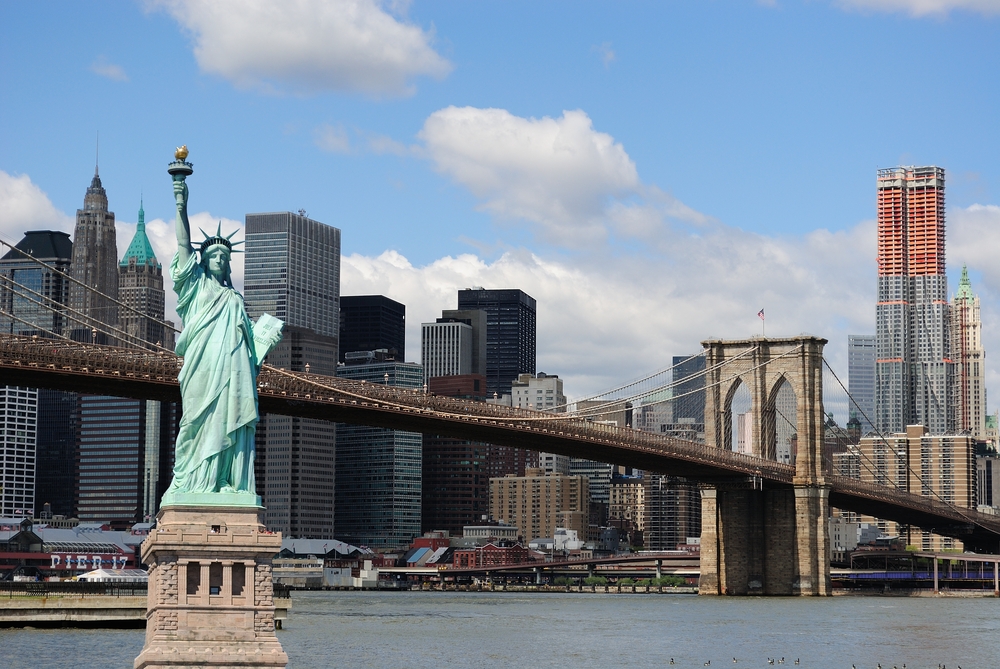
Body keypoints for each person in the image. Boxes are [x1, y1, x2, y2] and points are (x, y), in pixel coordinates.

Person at [161, 176, 281, 504]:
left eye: (223, 256)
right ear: (203, 260)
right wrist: (180, 204)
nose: (218, 259)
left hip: (234, 370)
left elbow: (248, 347)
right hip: (203, 365)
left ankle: (225, 481)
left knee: (230, 420)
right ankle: (192, 481)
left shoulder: (234, 298)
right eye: (212, 254)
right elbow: (184, 246)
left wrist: (264, 340)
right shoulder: (195, 286)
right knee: (196, 424)